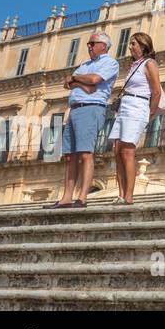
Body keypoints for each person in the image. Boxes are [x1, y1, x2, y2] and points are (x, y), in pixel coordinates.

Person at [45, 31, 119, 209]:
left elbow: (94, 81)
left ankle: (83, 197)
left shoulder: (110, 62)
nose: (89, 46)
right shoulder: (84, 64)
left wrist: (76, 79)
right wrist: (81, 82)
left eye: (92, 43)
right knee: (70, 156)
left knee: (86, 153)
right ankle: (66, 197)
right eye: (88, 43)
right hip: (75, 109)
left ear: (103, 45)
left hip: (91, 108)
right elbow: (67, 84)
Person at [108, 32, 163, 204]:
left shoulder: (150, 63)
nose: (130, 46)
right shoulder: (133, 65)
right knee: (117, 151)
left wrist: (149, 115)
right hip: (125, 107)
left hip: (138, 106)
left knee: (128, 151)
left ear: (143, 45)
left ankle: (129, 196)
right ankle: (121, 193)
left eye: (133, 43)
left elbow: (156, 91)